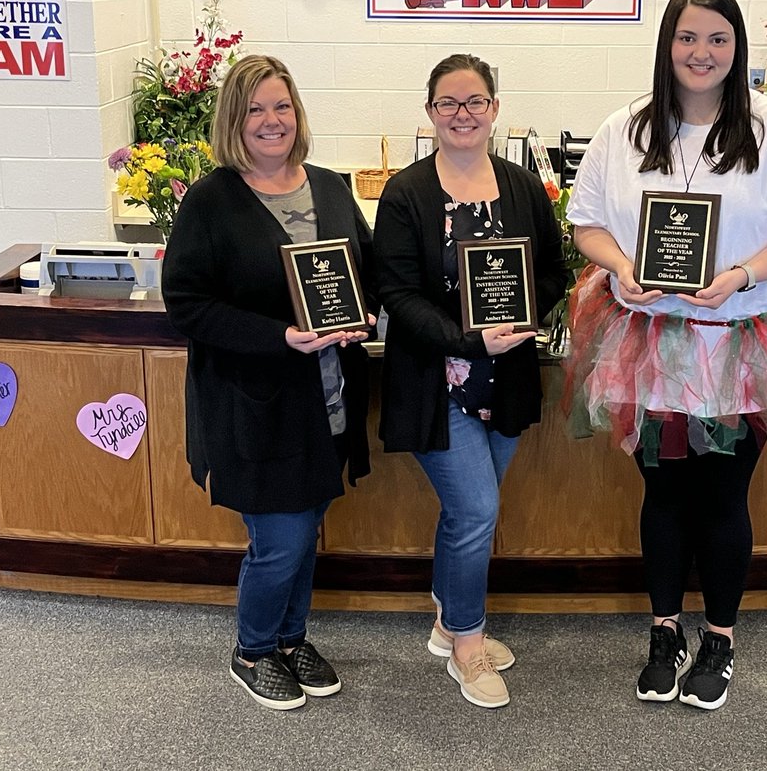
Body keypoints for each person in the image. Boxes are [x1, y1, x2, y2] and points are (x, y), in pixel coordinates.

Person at [565, 0, 767, 711]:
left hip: (741, 339)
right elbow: (586, 224)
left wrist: (743, 274)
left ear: (736, 46)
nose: (701, 53)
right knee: (662, 494)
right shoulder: (624, 127)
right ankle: (665, 632)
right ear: (667, 44)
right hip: (650, 339)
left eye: (717, 39)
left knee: (723, 495)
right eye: (688, 38)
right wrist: (621, 268)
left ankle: (718, 639)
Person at [161, 55, 378, 711]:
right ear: (234, 119)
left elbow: (361, 269)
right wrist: (280, 336)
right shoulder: (211, 201)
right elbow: (187, 304)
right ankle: (253, 649)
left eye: (281, 106)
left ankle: (290, 638)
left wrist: (365, 312)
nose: (271, 120)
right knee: (280, 539)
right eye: (255, 108)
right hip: (252, 404)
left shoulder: (332, 187)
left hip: (327, 398)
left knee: (307, 526)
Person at [374, 54, 566, 709]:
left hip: (505, 379)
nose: (463, 115)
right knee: (477, 510)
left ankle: (445, 618)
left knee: (467, 512)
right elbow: (396, 293)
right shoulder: (406, 194)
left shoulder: (520, 186)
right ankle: (465, 642)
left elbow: (551, 273)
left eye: (475, 102)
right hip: (438, 379)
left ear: (494, 109)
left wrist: (524, 315)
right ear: (430, 112)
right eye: (449, 103)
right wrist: (465, 339)